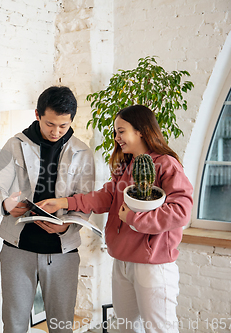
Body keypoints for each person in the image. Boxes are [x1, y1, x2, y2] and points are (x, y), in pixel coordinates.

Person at [39, 105, 193, 333]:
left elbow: (181, 211)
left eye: (121, 131)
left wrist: (133, 218)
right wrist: (62, 203)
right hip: (121, 260)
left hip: (153, 264)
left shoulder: (166, 164)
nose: (116, 137)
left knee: (160, 330)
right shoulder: (127, 165)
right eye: (115, 132)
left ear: (140, 130)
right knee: (126, 329)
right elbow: (105, 197)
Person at [0, 86, 95, 333]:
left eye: (63, 126)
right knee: (14, 326)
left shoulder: (82, 152)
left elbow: (85, 201)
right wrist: (6, 204)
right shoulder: (15, 144)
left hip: (62, 252)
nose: (56, 132)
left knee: (61, 326)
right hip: (17, 250)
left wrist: (67, 224)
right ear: (37, 114)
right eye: (50, 124)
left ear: (71, 121)